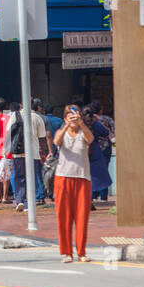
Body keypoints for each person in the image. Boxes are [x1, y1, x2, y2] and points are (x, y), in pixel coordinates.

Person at [53, 104, 94, 262]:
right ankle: (67, 252)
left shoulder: (83, 133)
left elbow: (90, 139)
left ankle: (81, 252)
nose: (73, 119)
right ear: (65, 118)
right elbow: (56, 141)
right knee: (64, 216)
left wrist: (81, 124)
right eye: (70, 116)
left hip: (82, 178)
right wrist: (66, 126)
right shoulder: (61, 132)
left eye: (76, 116)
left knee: (82, 217)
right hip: (63, 178)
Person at [6, 101, 49, 211]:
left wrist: (6, 151)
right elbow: (42, 138)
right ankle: (27, 203)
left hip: (18, 152)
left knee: (19, 177)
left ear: (21, 104)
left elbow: (8, 133)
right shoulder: (37, 118)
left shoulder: (15, 116)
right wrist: (43, 152)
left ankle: (20, 200)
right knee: (31, 178)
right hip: (33, 153)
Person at [82, 106, 112, 207]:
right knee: (98, 176)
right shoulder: (96, 124)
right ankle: (102, 197)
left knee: (84, 177)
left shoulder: (80, 125)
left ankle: (88, 200)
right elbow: (106, 132)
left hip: (82, 152)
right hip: (94, 152)